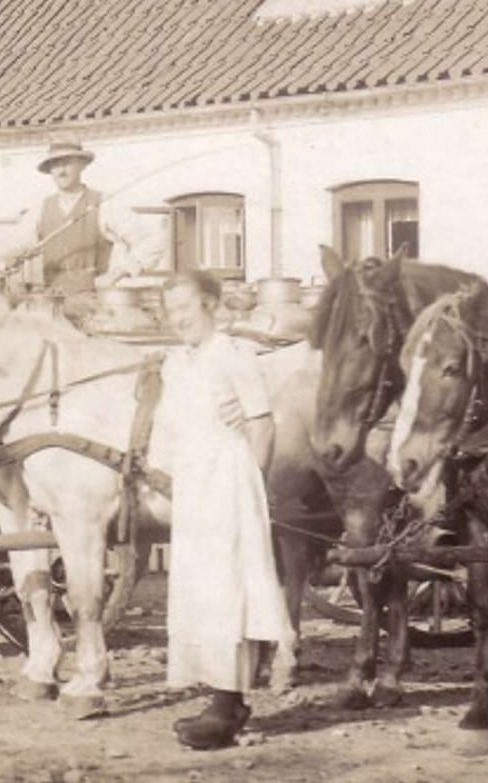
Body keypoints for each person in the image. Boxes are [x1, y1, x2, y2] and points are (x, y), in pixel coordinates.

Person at [156, 270, 292, 751]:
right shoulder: (178, 364)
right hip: (195, 486)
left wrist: (249, 488)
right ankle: (223, 699)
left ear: (211, 304)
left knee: (229, 587)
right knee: (200, 589)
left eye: (187, 308)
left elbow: (262, 423)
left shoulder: (233, 355)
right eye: (171, 311)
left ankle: (227, 704)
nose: (179, 319)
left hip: (230, 485)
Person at [0, 140, 115, 308]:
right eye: (55, 165)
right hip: (51, 301)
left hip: (92, 302)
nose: (61, 171)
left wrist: (119, 273)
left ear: (82, 165)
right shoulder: (41, 207)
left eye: (67, 163)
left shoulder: (101, 203)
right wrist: (14, 255)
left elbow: (149, 239)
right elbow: (19, 243)